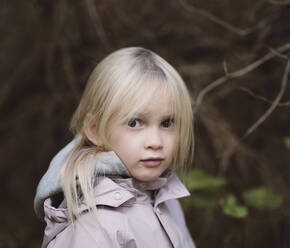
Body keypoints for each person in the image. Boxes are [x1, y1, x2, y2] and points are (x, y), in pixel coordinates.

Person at [33, 47, 195, 248]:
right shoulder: (94, 225)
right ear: (95, 130)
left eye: (167, 123)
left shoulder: (166, 199)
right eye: (134, 123)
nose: (156, 142)